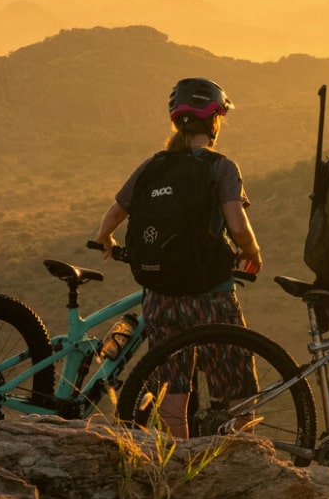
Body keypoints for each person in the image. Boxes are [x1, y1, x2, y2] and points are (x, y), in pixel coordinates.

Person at [94, 77, 262, 438]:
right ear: (214, 120)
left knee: (173, 392)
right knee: (237, 388)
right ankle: (241, 461)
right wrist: (252, 251)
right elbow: (236, 224)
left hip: (160, 297)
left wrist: (105, 239)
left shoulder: (153, 166)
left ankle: (179, 467)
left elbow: (113, 213)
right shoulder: (220, 166)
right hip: (211, 296)